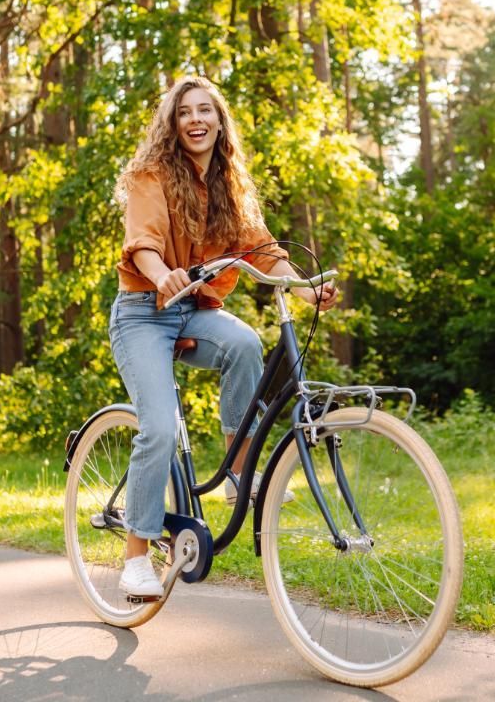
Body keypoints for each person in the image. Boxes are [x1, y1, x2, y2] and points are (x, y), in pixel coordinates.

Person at [109, 76, 336, 598]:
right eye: (185, 112)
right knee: (160, 429)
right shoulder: (150, 175)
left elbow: (262, 248)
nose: (195, 119)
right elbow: (140, 241)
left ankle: (239, 472)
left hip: (192, 309)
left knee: (244, 344)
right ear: (173, 123)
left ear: (218, 121)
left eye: (205, 110)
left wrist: (306, 290)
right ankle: (137, 557)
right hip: (143, 312)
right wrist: (162, 271)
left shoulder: (230, 185)